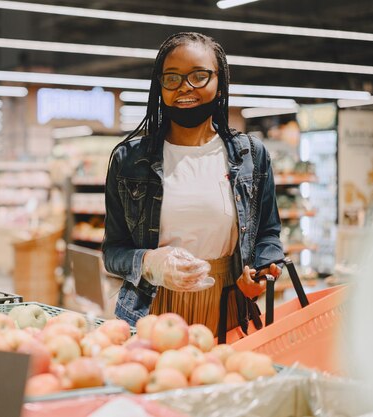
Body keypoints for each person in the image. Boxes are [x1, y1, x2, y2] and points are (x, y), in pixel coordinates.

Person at [102, 32, 284, 339]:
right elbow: (113, 252)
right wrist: (149, 262)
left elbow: (268, 232)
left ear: (220, 81)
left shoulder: (251, 156)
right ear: (160, 86)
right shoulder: (130, 160)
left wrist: (262, 270)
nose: (185, 87)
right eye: (172, 78)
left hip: (227, 304)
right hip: (149, 310)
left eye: (199, 76)